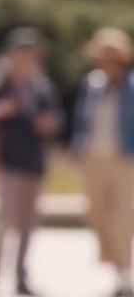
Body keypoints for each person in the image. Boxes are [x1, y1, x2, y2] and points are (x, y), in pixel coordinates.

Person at [0, 28, 63, 296]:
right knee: (4, 223)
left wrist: (49, 124)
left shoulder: (41, 87)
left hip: (34, 162)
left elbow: (55, 118)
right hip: (7, 162)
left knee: (27, 224)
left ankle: (21, 277)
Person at [72, 28, 134, 297]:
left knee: (122, 216)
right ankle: (114, 266)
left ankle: (124, 272)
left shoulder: (132, 88)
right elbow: (81, 120)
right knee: (98, 214)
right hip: (93, 157)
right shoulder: (92, 84)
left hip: (124, 158)